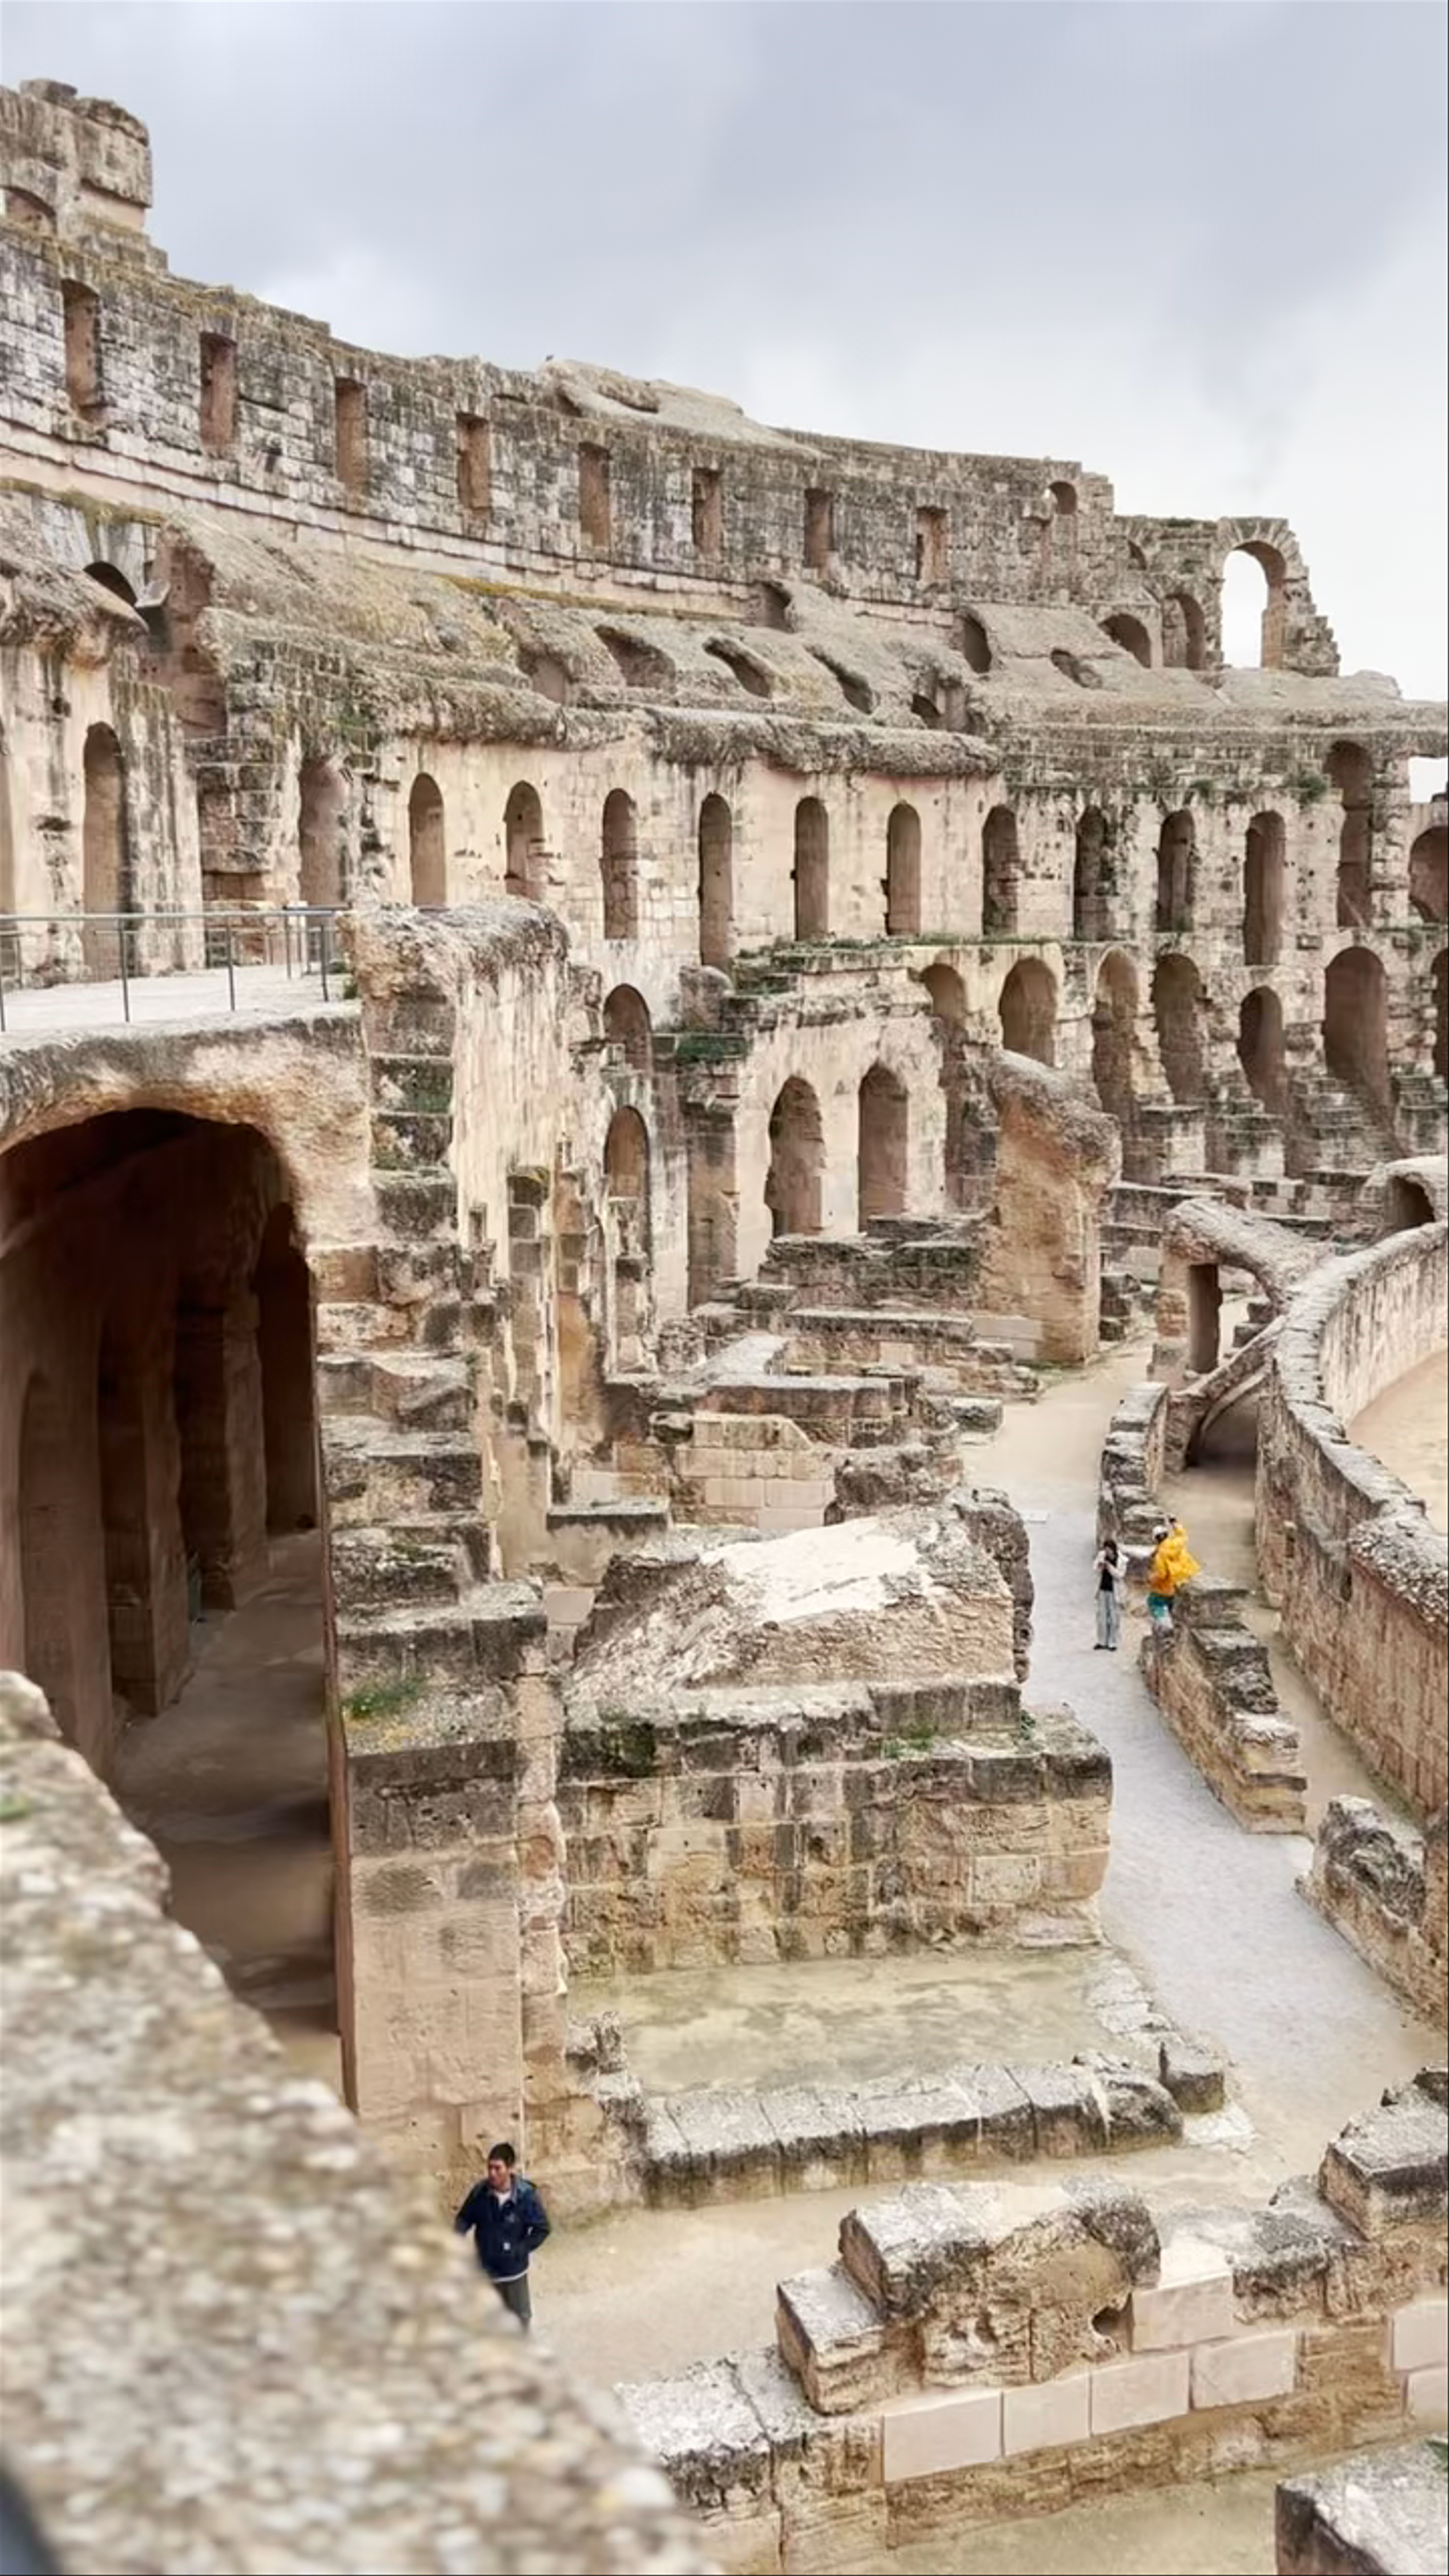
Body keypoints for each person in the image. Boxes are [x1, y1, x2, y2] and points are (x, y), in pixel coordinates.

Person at [454, 2142, 550, 2329]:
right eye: (489, 2168)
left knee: (519, 2322)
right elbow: (464, 2218)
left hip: (514, 2273)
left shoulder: (526, 2196)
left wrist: (520, 2250)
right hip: (487, 2271)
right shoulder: (480, 2193)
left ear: (510, 2168)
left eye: (498, 2169)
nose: (492, 2174)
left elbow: (543, 2229)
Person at [1146, 1516, 1199, 1632]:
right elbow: (1182, 1535)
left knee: (1153, 1602)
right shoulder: (1177, 1543)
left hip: (1167, 1589)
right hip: (1184, 1582)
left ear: (1155, 1540)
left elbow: (1162, 1574)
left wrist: (1151, 1579)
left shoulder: (1161, 1555)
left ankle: (1163, 1628)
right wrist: (1174, 1523)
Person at [1093, 1536, 1124, 1650]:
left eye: (1109, 1551)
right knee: (1102, 1616)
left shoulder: (1121, 1560)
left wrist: (1110, 1567)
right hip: (1103, 1589)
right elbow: (1095, 1569)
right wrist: (1100, 1566)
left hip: (1114, 1591)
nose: (1107, 1553)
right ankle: (1102, 1641)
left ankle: (1113, 1642)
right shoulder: (1102, 1556)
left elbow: (1120, 1575)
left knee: (1114, 1617)